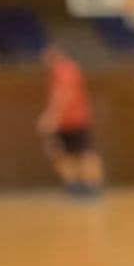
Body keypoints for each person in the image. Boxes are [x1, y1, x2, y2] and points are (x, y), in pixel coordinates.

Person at [37, 44, 104, 197]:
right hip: (63, 123)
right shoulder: (56, 72)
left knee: (84, 153)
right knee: (63, 154)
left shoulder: (65, 69)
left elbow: (65, 94)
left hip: (76, 120)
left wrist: (51, 116)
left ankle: (91, 186)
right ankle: (74, 186)